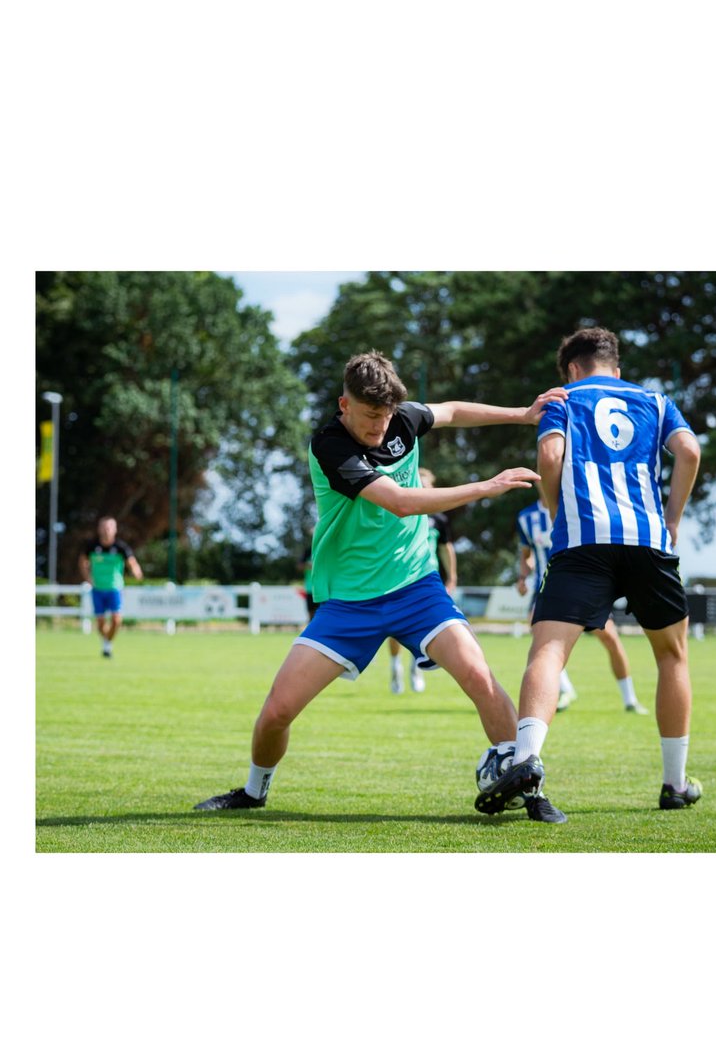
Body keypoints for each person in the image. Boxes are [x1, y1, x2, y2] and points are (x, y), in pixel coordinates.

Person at [194, 350, 569, 823]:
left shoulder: (401, 420)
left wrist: (522, 414)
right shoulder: (329, 446)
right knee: (276, 711)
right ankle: (253, 791)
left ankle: (531, 790)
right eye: (372, 415)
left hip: (417, 588)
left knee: (479, 676)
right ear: (344, 404)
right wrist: (484, 486)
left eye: (388, 414)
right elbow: (399, 502)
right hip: (349, 603)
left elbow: (450, 411)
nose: (381, 425)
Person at [475, 326, 702, 819]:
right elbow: (689, 452)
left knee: (550, 651)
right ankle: (675, 783)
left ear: (572, 369)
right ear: (616, 367)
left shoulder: (563, 398)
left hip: (582, 543)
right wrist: (673, 519)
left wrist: (557, 513)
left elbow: (550, 456)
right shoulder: (656, 401)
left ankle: (528, 756)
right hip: (648, 541)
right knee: (671, 657)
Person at [516, 496, 649, 715]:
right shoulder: (526, 517)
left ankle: (630, 699)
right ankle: (565, 689)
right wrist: (522, 577)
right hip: (547, 587)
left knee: (610, 640)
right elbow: (526, 555)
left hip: (584, 587)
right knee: (539, 633)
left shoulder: (579, 504)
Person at [389, 467, 458, 694]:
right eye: (421, 485)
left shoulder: (438, 519)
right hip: (398, 578)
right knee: (395, 631)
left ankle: (416, 668)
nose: (426, 490)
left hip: (428, 579)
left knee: (424, 628)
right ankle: (395, 666)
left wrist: (452, 578)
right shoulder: (400, 512)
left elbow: (446, 549)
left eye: (429, 486)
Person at [78, 516, 144, 658]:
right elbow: (82, 561)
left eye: (109, 527)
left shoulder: (120, 547)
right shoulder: (92, 546)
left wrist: (136, 571)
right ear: (99, 529)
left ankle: (107, 643)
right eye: (104, 527)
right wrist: (87, 577)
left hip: (115, 588)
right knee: (101, 622)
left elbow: (132, 562)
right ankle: (107, 643)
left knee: (116, 620)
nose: (106, 530)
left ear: (115, 529)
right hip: (97, 589)